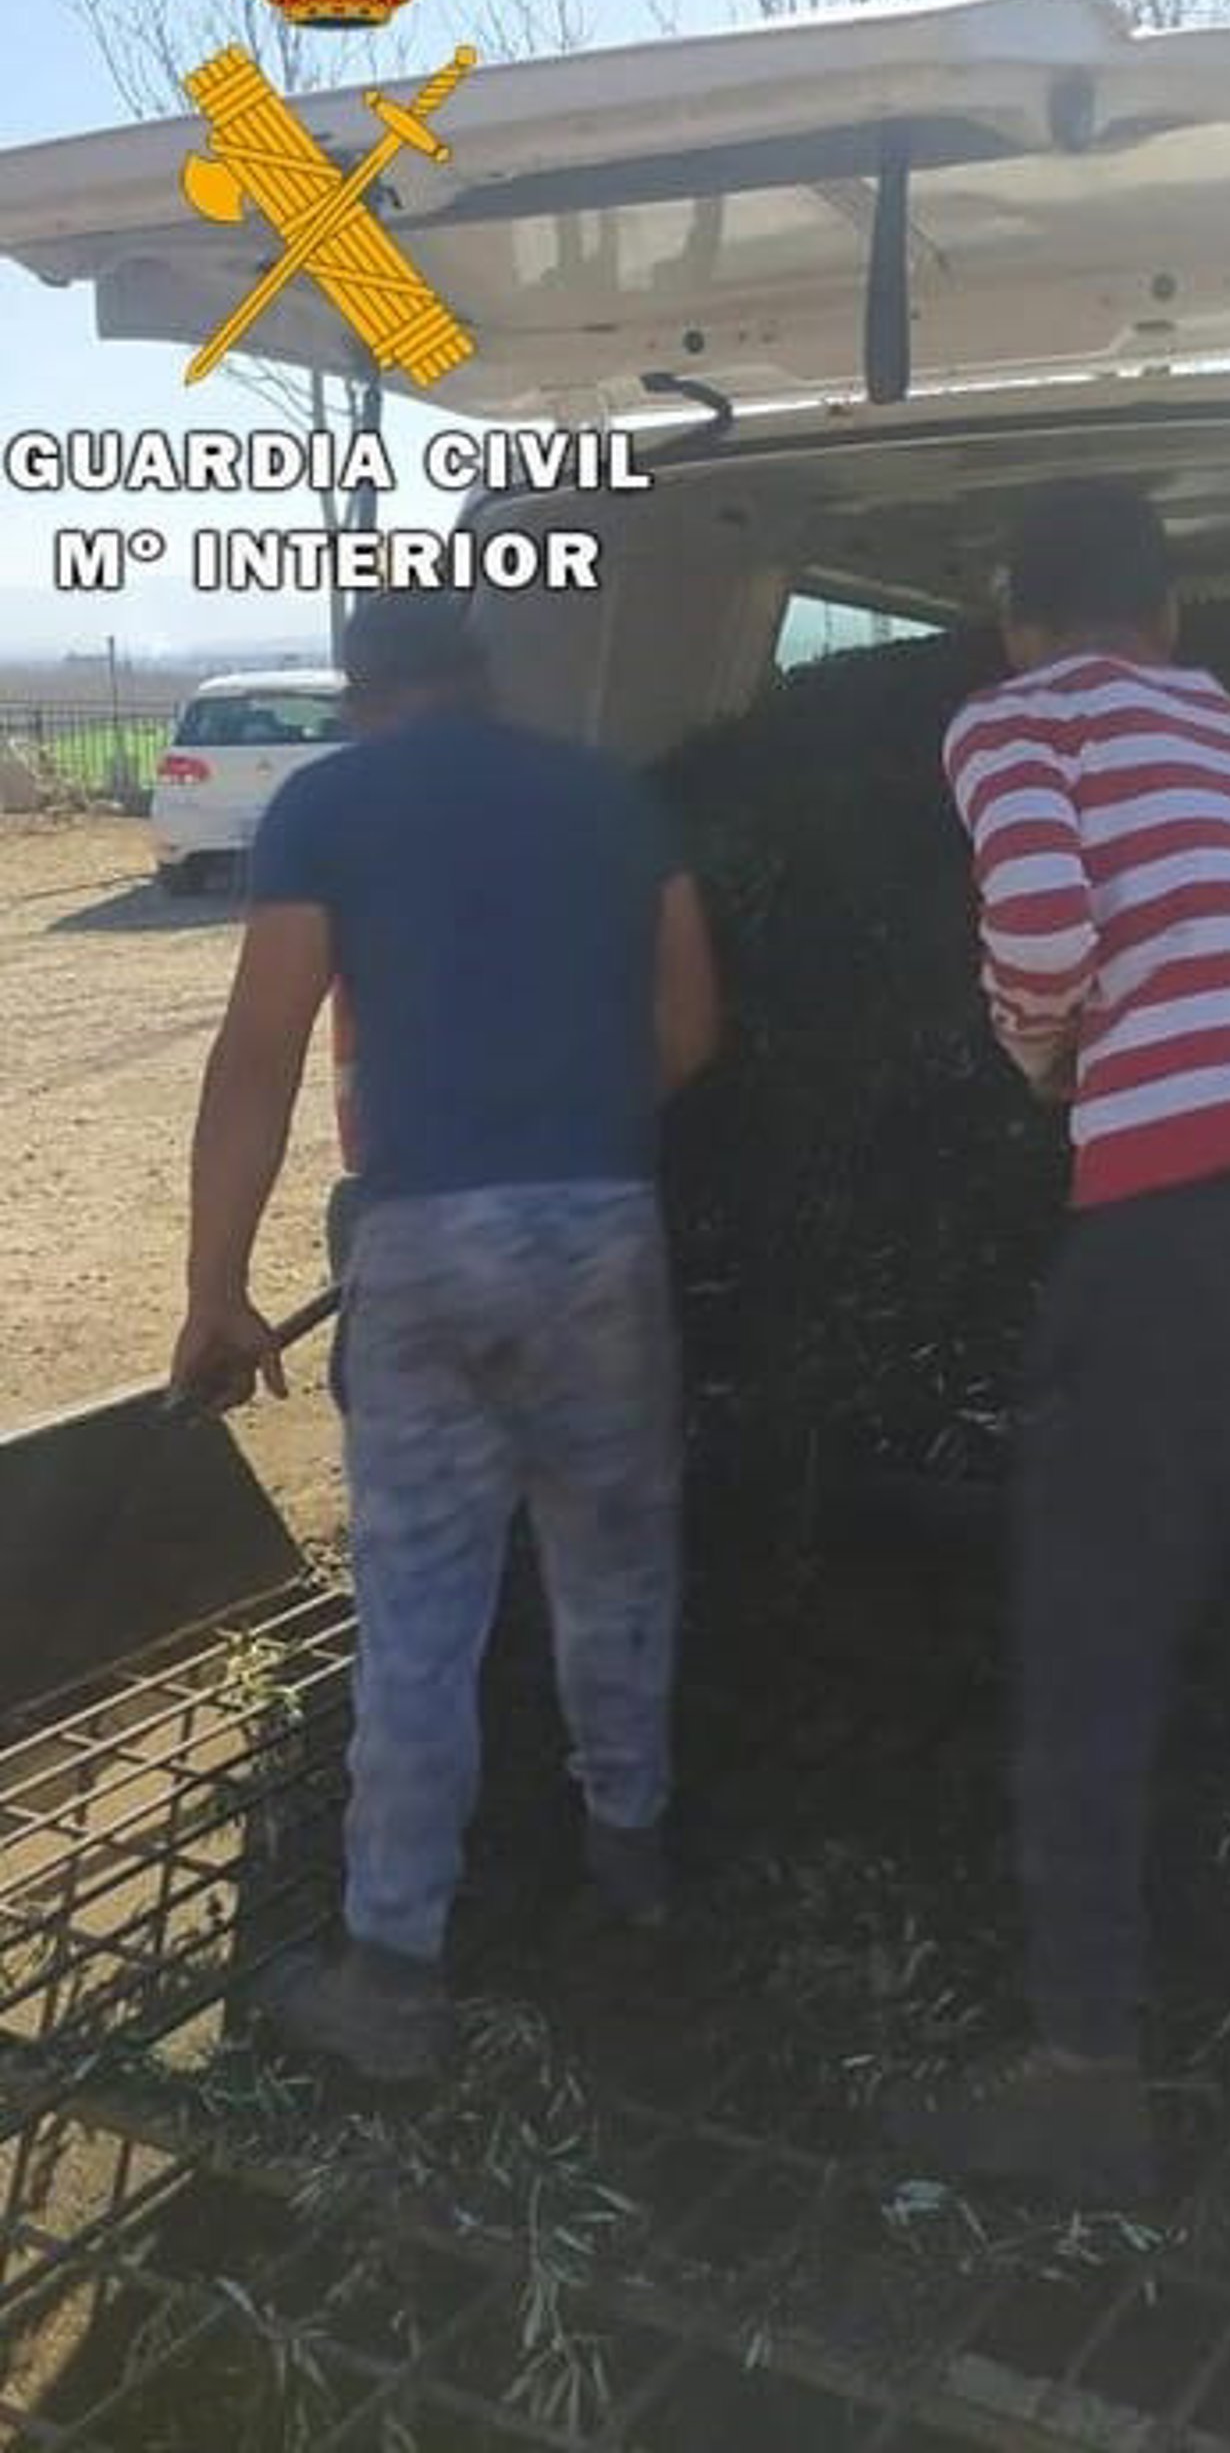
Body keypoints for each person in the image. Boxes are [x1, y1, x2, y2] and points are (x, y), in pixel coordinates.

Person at [884, 479, 1230, 2200]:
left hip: (1178, 1222)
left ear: (1014, 623)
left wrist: (1037, 1053)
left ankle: (1086, 2077)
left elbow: (1038, 927)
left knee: (1091, 1631)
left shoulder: (1014, 717)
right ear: (1169, 616)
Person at [171, 590, 721, 2083]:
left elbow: (261, 1051)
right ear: (483, 676)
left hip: (422, 1247)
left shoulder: (329, 806)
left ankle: (394, 1974)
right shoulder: (612, 797)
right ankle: (631, 1875)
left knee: (419, 1613)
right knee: (616, 1573)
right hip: (604, 1232)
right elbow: (690, 1026)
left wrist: (216, 1287)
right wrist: (569, 1134)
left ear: (359, 694)